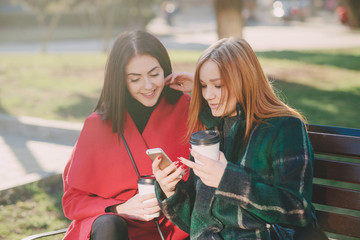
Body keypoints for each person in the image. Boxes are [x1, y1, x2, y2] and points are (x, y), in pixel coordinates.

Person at [153, 38, 327, 239]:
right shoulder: (213, 132)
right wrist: (171, 191)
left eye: (217, 85)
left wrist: (228, 180)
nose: (208, 95)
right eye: (203, 85)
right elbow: (195, 223)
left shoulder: (284, 128)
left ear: (244, 81)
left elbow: (297, 210)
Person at [62, 30, 193, 240]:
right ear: (121, 81)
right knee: (108, 224)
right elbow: (72, 201)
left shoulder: (187, 107)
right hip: (114, 229)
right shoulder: (96, 125)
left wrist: (200, 87)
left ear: (165, 70)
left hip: (176, 227)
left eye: (154, 74)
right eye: (135, 79)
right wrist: (119, 208)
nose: (148, 86)